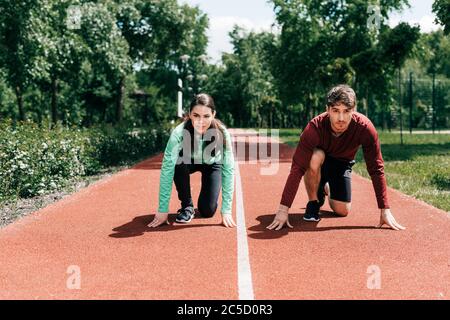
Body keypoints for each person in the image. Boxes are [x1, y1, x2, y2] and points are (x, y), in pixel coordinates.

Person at [267, 84, 405, 231]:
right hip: (319, 161)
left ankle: (326, 187)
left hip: (342, 164)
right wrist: (283, 210)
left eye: (346, 111)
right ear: (327, 110)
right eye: (335, 111)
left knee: (342, 211)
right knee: (314, 156)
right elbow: (298, 168)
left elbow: (376, 168)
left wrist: (385, 209)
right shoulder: (314, 128)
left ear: (354, 110)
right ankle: (313, 202)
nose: (341, 118)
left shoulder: (365, 128)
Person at [148, 93, 236, 228]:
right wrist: (162, 210)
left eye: (206, 116)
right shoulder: (179, 133)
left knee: (207, 211)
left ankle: (205, 204)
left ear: (213, 114)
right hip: (187, 162)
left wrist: (226, 210)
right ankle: (187, 206)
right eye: (196, 115)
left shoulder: (222, 133)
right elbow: (167, 169)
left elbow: (229, 170)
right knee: (178, 162)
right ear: (189, 114)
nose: (201, 121)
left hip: (211, 164)